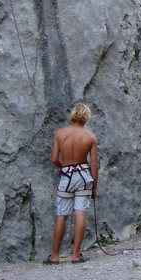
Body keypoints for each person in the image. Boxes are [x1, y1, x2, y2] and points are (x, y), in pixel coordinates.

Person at [44, 103, 99, 265]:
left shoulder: (60, 134)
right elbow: (94, 164)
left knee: (62, 214)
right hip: (83, 175)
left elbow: (54, 159)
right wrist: (94, 187)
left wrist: (64, 168)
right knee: (80, 213)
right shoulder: (90, 137)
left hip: (66, 175)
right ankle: (76, 255)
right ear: (87, 117)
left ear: (73, 115)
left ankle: (54, 256)